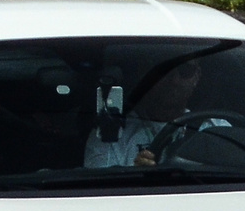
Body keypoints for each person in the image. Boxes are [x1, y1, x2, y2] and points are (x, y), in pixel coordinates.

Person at [83, 59, 227, 168]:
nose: (174, 80)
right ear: (147, 75)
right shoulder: (111, 133)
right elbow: (102, 194)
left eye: (185, 71)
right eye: (165, 70)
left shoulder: (217, 130)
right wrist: (136, 176)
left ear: (196, 77)